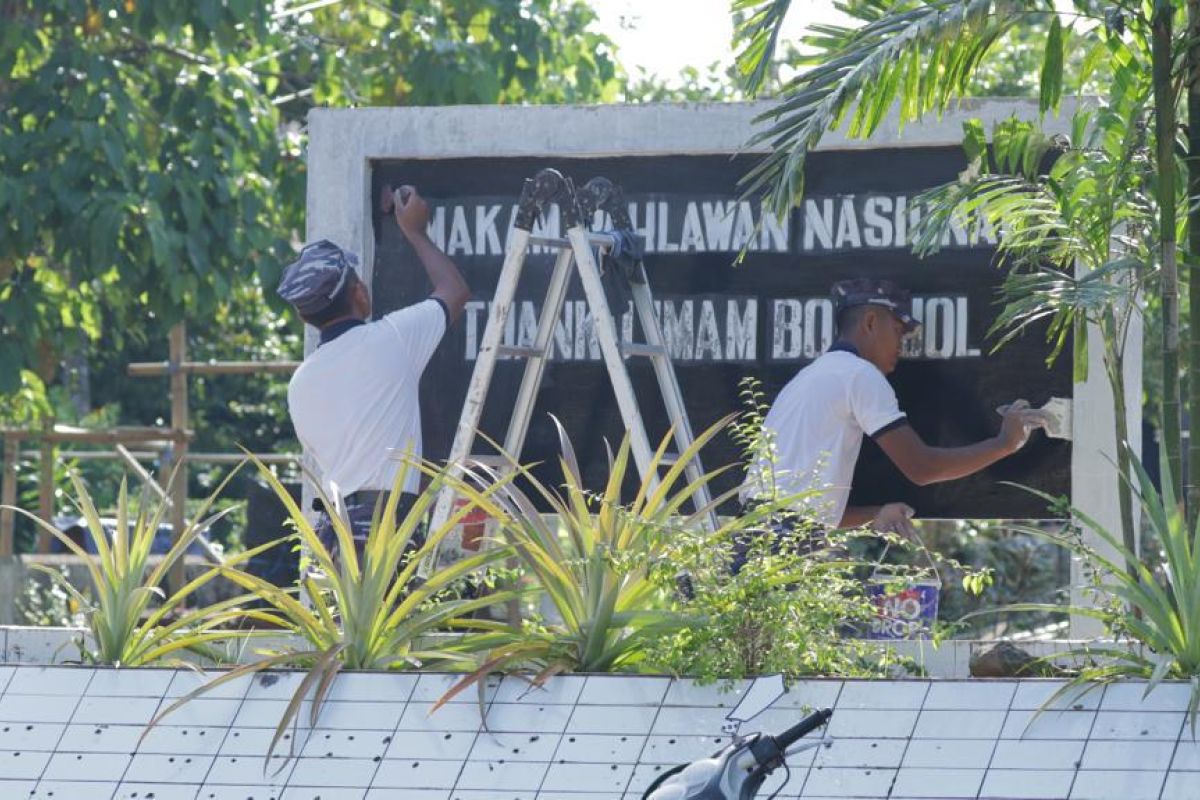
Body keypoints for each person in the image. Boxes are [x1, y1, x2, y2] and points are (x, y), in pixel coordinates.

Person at [741, 278, 1048, 540]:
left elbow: (810, 508)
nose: (902, 344)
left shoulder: (811, 376)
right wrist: (1004, 444)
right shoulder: (859, 374)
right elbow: (922, 468)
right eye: (899, 330)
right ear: (871, 322)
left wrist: (877, 513)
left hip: (758, 535)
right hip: (787, 540)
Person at [277, 185, 470, 563]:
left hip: (335, 535)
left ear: (304, 316)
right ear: (360, 294)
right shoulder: (390, 340)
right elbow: (455, 290)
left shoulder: (300, 383)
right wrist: (415, 230)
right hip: (386, 529)